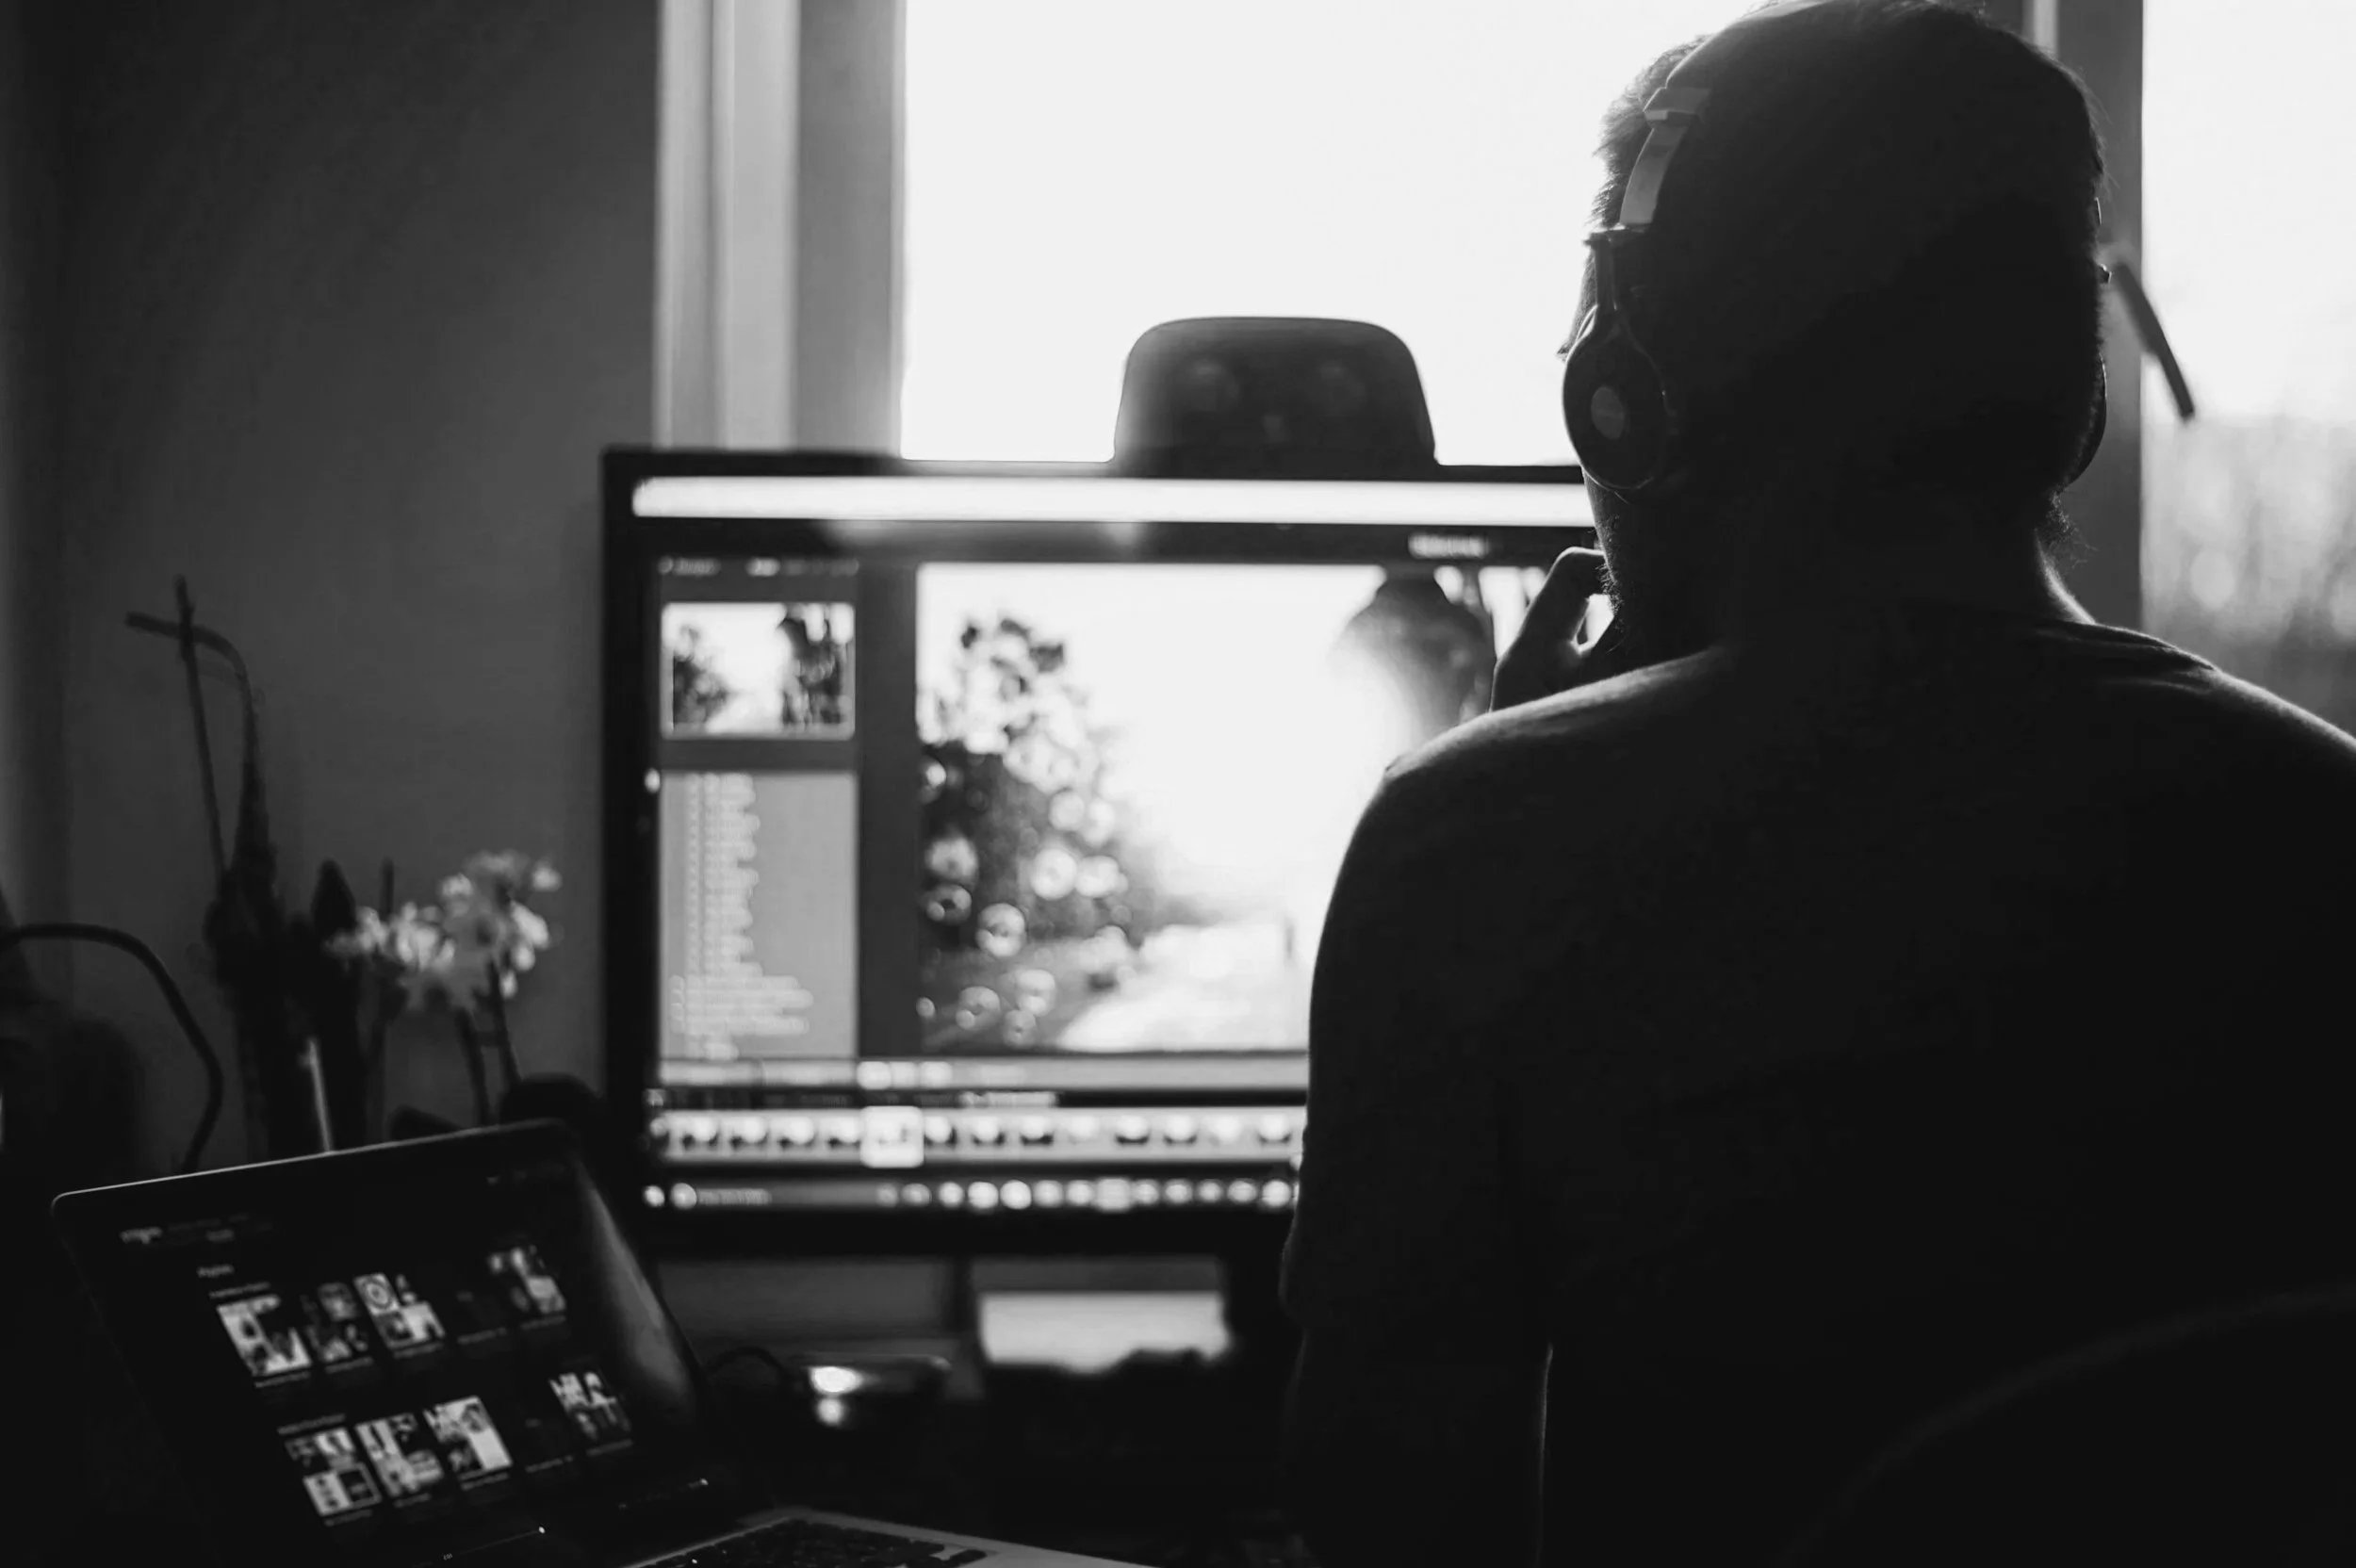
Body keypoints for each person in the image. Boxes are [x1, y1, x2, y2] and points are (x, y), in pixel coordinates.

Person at [1280, 4, 2356, 1565]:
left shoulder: (1481, 846)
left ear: (1627, 391)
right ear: (2074, 391)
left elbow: (1384, 1518)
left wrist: (1501, 784)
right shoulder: (2324, 824)